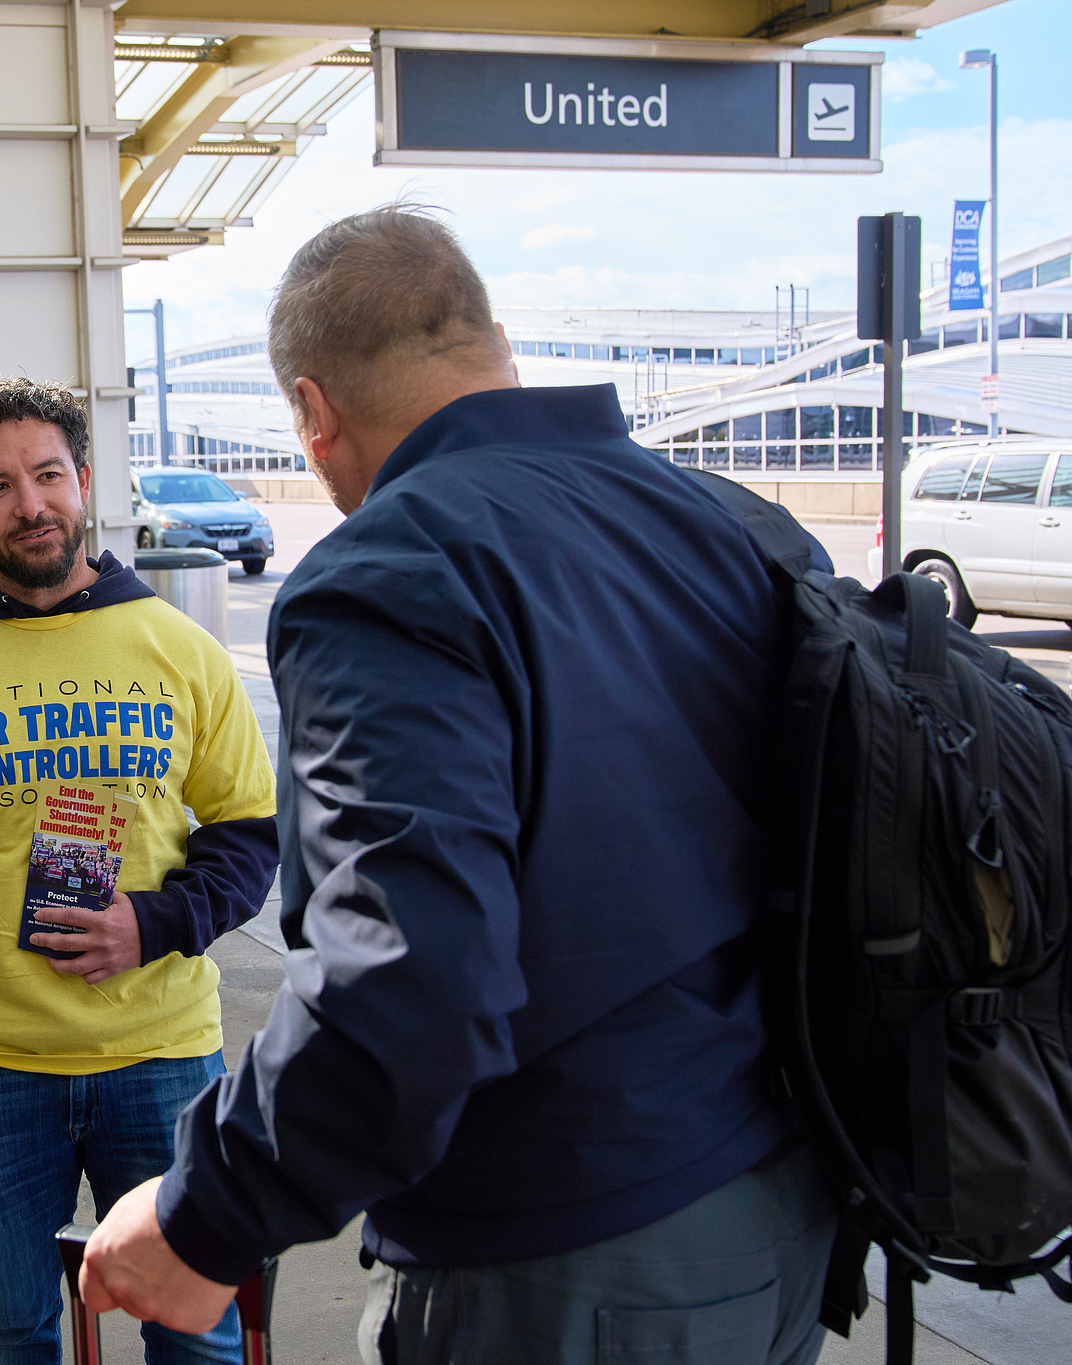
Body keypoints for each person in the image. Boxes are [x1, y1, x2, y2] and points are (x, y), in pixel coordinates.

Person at [80, 207, 842, 1364]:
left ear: (310, 410)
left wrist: (206, 1217)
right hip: (783, 1202)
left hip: (568, 1257)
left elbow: (406, 979)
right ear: (491, 350)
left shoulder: (389, 570)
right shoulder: (731, 526)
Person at [0, 378, 278, 1365]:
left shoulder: (180, 652)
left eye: (45, 475)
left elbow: (247, 835)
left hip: (159, 1060)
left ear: (82, 480)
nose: (28, 504)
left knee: (191, 1329)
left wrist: (148, 925)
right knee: (6, 1332)